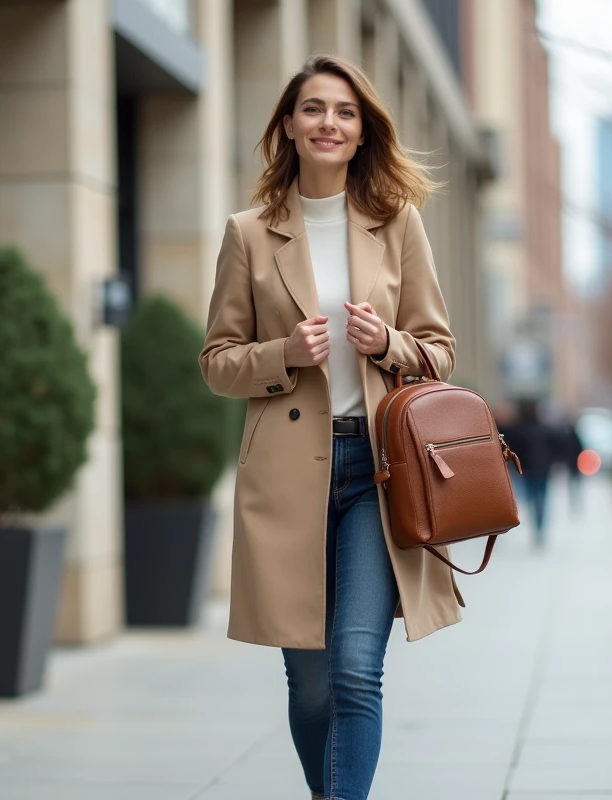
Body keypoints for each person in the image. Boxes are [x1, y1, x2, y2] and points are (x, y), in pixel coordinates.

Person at [198, 55, 462, 800]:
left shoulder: (395, 224)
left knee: (354, 668)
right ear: (288, 124)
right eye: (313, 109)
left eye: (344, 112)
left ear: (361, 130)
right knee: (310, 686)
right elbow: (217, 362)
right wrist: (283, 354)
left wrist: (391, 345)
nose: (329, 123)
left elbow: (439, 348)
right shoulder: (248, 233)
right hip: (287, 478)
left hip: (377, 474)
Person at [498, 400, 557, 547]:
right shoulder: (545, 429)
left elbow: (512, 449)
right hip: (542, 470)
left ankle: (536, 523)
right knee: (541, 497)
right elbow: (553, 449)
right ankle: (539, 526)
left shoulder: (518, 429)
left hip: (526, 470)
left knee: (531, 497)